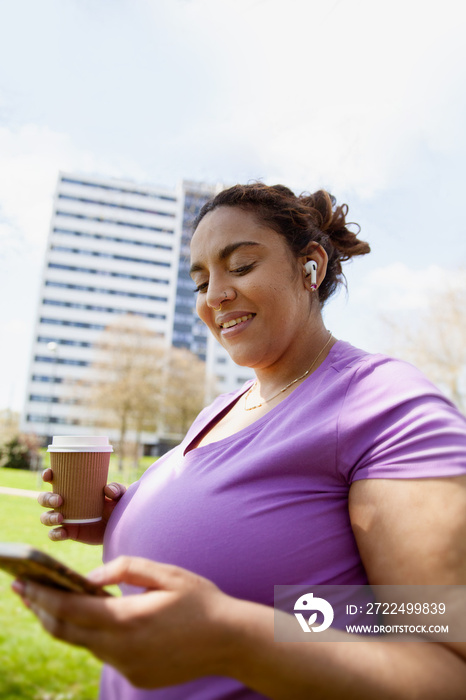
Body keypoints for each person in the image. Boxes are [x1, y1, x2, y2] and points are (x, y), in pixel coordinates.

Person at [14, 182, 466, 699]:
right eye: (201, 282)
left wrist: (233, 638)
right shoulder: (221, 408)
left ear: (310, 266)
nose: (215, 296)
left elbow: (449, 672)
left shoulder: (383, 405)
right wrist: (120, 516)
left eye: (242, 266)